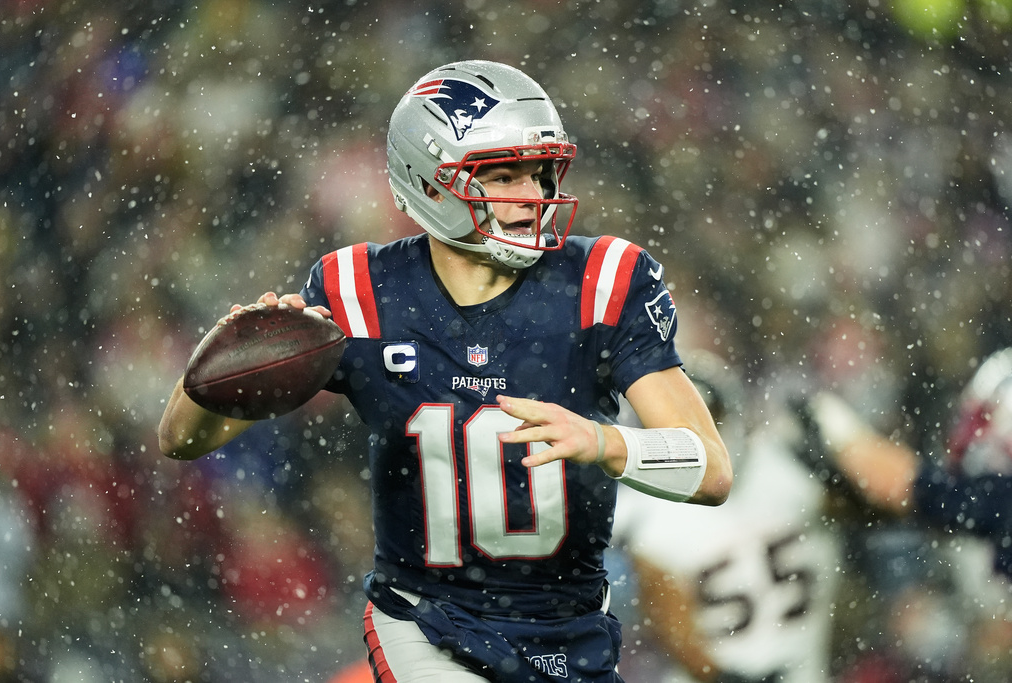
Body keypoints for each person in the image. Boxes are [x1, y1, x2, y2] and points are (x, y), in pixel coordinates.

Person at [158, 60, 732, 683]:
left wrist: (605, 441)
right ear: (430, 183)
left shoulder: (601, 281)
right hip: (426, 625)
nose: (533, 197)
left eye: (539, 174)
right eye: (503, 176)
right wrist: (228, 360)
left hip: (572, 628)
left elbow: (711, 469)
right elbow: (180, 441)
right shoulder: (357, 293)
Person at [611, 352, 843, 683]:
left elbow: (874, 505)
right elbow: (670, 621)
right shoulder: (650, 512)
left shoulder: (790, 465)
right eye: (679, 431)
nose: (697, 441)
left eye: (707, 420)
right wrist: (721, 677)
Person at [800, 346, 1012, 577]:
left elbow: (910, 485)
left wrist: (843, 438)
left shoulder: (1000, 498)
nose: (968, 433)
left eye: (980, 419)